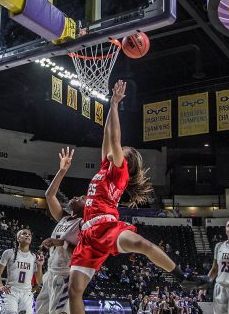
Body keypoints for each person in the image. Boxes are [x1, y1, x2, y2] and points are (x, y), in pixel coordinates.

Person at [68, 80, 210, 314]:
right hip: (88, 235)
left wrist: (114, 104)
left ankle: (181, 277)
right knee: (75, 290)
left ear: (128, 159)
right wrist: (109, 109)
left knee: (143, 244)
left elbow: (114, 139)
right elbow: (107, 137)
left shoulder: (120, 171)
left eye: (123, 149)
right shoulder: (106, 167)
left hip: (106, 226)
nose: (119, 148)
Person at [35, 147, 83, 314]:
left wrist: (59, 242)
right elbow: (50, 195)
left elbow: (82, 251)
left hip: (65, 274)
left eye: (82, 198)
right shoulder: (64, 217)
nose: (77, 196)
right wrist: (62, 171)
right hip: (51, 272)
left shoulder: (83, 223)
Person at [0, 229, 44, 314]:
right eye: (24, 234)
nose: (27, 235)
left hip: (27, 293)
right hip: (11, 291)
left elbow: (39, 281)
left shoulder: (34, 257)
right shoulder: (8, 253)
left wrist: (39, 266)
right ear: (18, 238)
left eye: (29, 234)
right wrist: (1, 286)